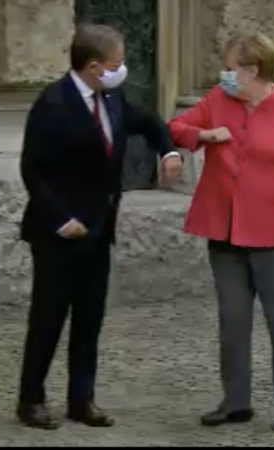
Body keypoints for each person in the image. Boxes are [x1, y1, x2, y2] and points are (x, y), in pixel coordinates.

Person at [17, 23, 183, 430]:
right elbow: (33, 171)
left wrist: (169, 151)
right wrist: (62, 219)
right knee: (49, 317)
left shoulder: (111, 98)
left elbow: (147, 122)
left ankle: (81, 398)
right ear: (93, 67)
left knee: (89, 318)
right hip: (58, 232)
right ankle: (31, 399)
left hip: (99, 227)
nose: (121, 69)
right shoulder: (53, 104)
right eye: (117, 63)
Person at [168, 32, 274, 433]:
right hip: (225, 232)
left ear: (252, 71)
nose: (223, 75)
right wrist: (203, 136)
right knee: (233, 322)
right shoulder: (218, 100)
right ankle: (235, 401)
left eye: (230, 68)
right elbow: (176, 127)